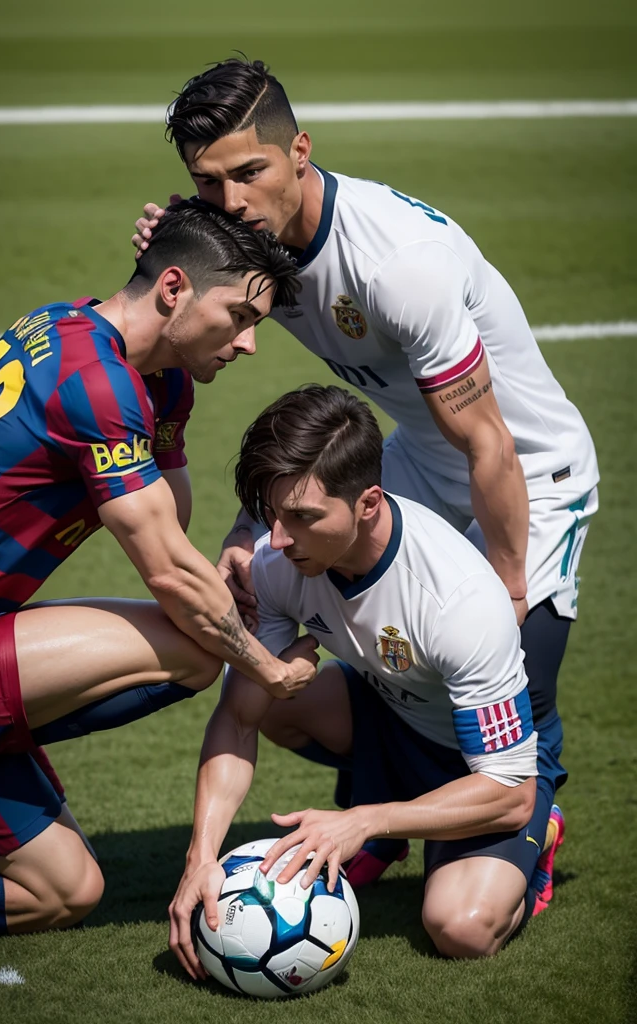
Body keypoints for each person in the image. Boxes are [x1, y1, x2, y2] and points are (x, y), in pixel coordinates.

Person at [133, 57, 598, 877]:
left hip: (525, 469)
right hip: (419, 453)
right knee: (336, 651)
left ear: (301, 151)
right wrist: (179, 250)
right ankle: (381, 814)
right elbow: (195, 307)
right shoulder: (251, 239)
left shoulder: (395, 267)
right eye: (210, 185)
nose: (232, 203)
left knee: (511, 676)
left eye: (250, 173)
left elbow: (489, 443)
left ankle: (526, 817)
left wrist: (509, 589)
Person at [0, 200, 319, 939]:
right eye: (240, 316)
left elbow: (172, 524)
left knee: (65, 890)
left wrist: (213, 568)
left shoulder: (132, 362)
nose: (249, 344)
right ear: (175, 289)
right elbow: (169, 576)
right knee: (196, 647)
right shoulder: (97, 384)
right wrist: (267, 671)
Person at [168, 384, 567, 975]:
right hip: (390, 715)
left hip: (484, 771)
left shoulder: (458, 601)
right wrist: (200, 856)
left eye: (302, 518)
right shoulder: (280, 565)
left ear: (369, 503)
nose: (277, 540)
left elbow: (510, 793)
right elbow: (237, 717)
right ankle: (386, 823)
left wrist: (367, 817)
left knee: (461, 927)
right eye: (272, 516)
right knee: (264, 695)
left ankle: (527, 844)